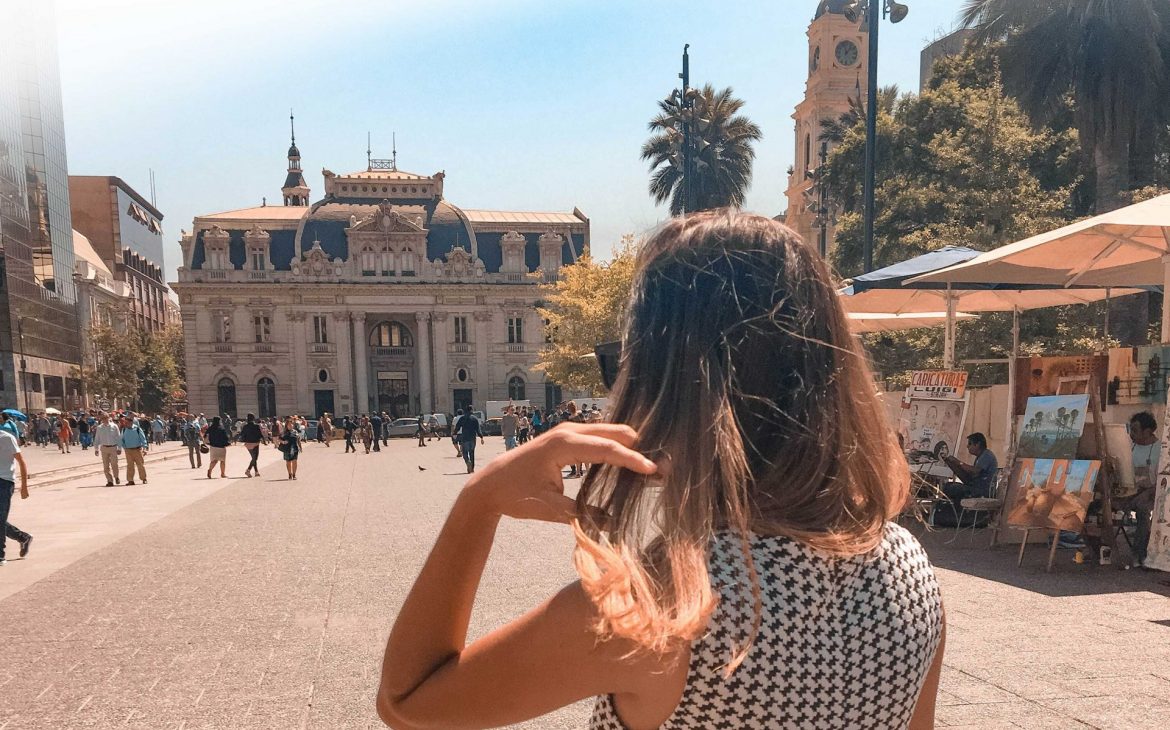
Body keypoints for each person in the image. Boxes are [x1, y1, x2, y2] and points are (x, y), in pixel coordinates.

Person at [375, 211, 944, 730]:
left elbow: (408, 703)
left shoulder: (662, 609)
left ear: (672, 384)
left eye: (623, 362)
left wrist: (478, 500)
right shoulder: (908, 566)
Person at [1128, 411, 1160, 568]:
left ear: (1147, 432)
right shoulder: (1130, 447)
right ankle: (1100, 549)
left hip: (1152, 494)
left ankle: (1139, 553)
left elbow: (1162, 481)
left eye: (1134, 430)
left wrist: (1148, 492)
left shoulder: (1160, 450)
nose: (1131, 434)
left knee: (1142, 510)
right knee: (1098, 505)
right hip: (1129, 491)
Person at [0, 417, 32, 566]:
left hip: (5, 482)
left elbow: (21, 461)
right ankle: (23, 537)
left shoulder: (7, 438)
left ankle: (0, 555)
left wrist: (24, 486)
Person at [943, 432, 999, 504]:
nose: (967, 446)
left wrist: (957, 462)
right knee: (949, 486)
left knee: (952, 488)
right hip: (976, 488)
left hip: (983, 491)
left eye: (970, 444)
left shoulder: (987, 455)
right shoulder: (980, 457)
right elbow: (969, 478)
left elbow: (975, 471)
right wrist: (951, 464)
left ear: (977, 444)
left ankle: (955, 512)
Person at [93, 412, 122, 487]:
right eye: (102, 418)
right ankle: (109, 480)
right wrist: (96, 449)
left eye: (105, 418)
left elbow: (118, 437)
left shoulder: (114, 426)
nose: (104, 420)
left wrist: (119, 448)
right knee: (106, 465)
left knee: (114, 463)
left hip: (113, 447)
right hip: (104, 448)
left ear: (108, 418)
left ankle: (116, 476)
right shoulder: (99, 427)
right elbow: (97, 438)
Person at [120, 415, 149, 485]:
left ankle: (143, 478)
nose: (125, 424)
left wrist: (144, 448)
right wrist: (124, 447)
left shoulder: (137, 429)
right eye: (125, 422)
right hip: (128, 451)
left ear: (131, 422)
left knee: (140, 465)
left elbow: (143, 439)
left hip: (137, 450)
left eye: (127, 422)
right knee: (130, 466)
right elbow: (121, 440)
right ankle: (130, 480)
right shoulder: (124, 430)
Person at [453, 409, 484, 473]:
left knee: (464, 453)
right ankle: (472, 468)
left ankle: (467, 461)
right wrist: (481, 437)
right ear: (472, 411)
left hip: (465, 438)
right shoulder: (474, 419)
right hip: (472, 438)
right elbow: (478, 429)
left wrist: (454, 433)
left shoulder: (462, 418)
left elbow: (457, 427)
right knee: (472, 453)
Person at [239, 413, 263, 478]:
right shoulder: (256, 426)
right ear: (253, 418)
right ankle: (248, 470)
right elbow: (260, 434)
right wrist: (264, 440)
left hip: (248, 444)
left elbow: (242, 434)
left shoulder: (245, 426)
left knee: (253, 458)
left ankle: (256, 472)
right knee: (255, 458)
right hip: (255, 443)